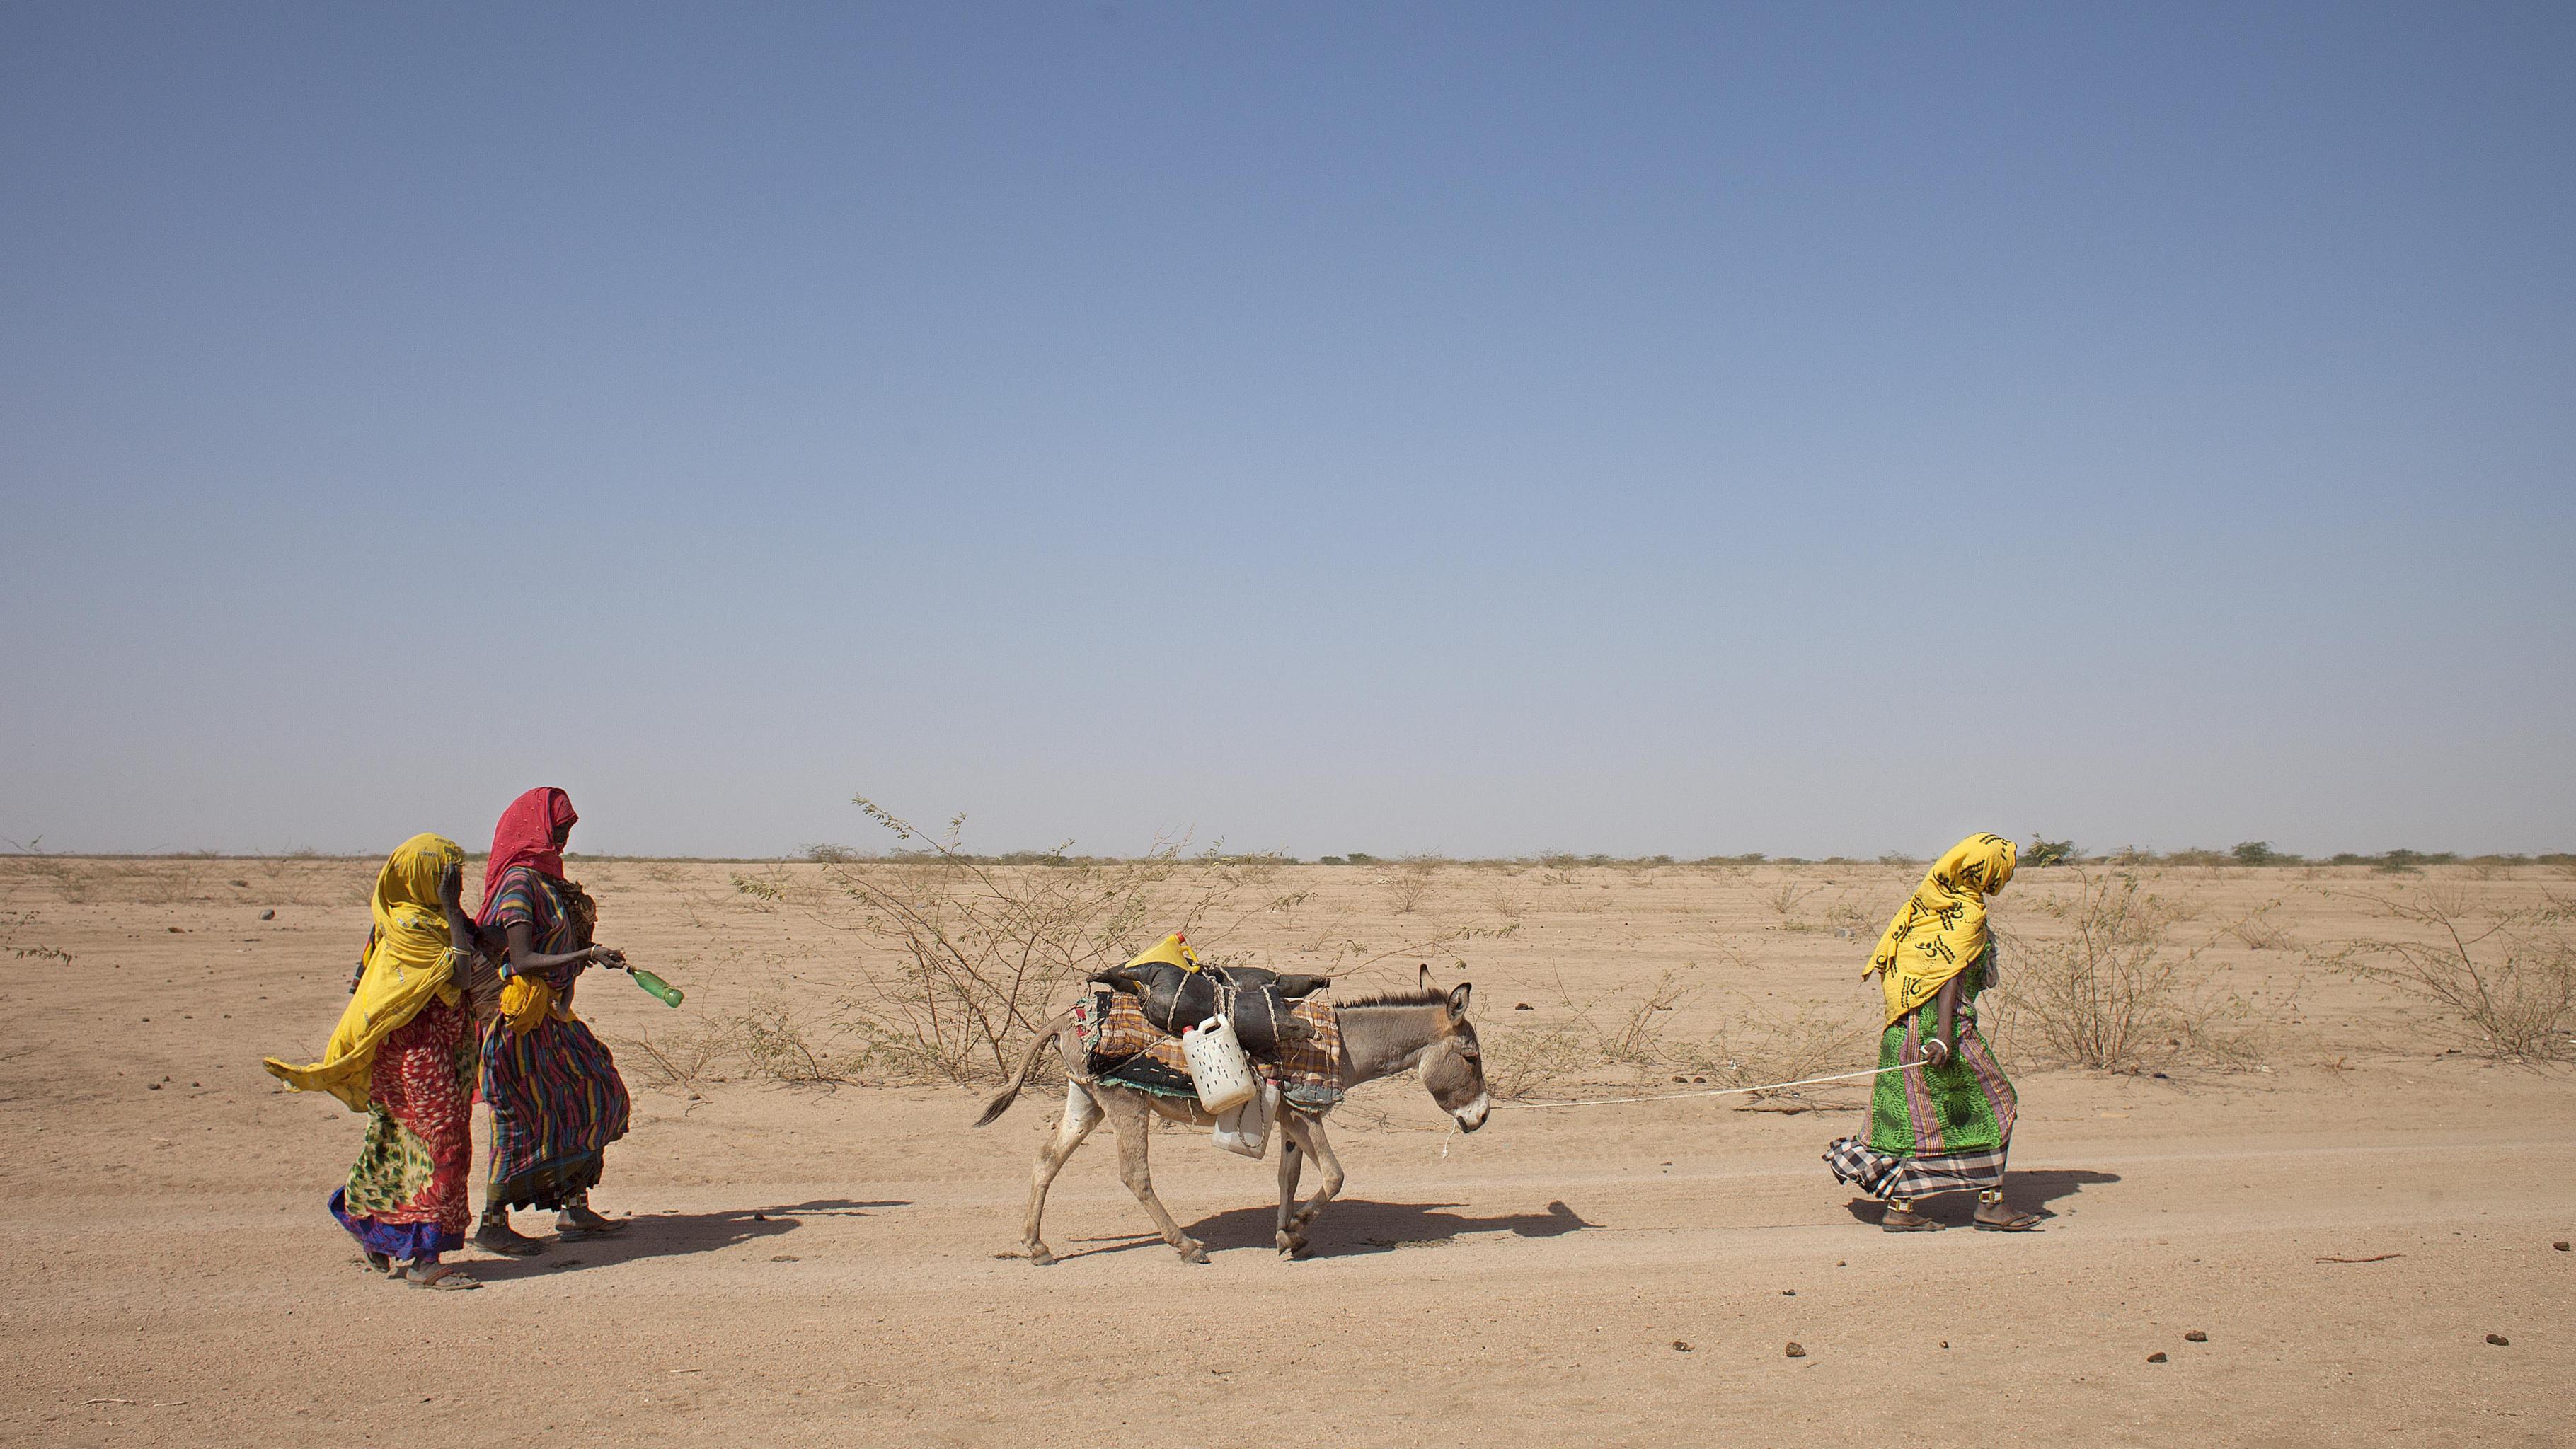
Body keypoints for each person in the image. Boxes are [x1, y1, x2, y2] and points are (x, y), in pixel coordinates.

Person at [263, 834, 489, 1288]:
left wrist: (456, 913)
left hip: (435, 1051)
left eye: (458, 876)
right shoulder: (414, 925)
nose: (457, 884)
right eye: (448, 877)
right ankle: (424, 1261)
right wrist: (449, 909)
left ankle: (375, 1226)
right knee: (439, 1146)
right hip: (419, 1057)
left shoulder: (418, 921)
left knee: (397, 1142)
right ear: (423, 879)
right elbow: (462, 973)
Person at [1825, 833, 2041, 1232]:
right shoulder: (1965, 913)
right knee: (1995, 1106)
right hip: (1941, 1031)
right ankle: (1990, 1205)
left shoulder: (1927, 903)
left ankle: (1902, 1210)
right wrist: (1944, 1035)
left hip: (1901, 1029)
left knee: (1909, 1119)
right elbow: (1948, 974)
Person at [471, 786, 633, 1256]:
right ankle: (491, 1223)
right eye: (558, 828)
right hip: (518, 1024)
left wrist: (580, 959)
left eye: (567, 830)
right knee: (521, 1115)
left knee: (592, 1093)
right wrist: (587, 953)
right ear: (535, 828)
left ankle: (573, 1207)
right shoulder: (520, 883)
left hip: (552, 1018)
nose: (563, 839)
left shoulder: (548, 883)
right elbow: (520, 960)